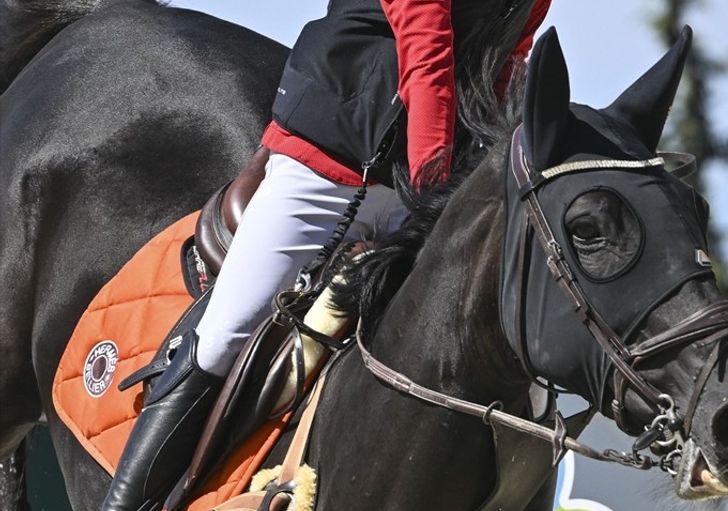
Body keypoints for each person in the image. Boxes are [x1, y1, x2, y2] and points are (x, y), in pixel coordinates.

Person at [101, 0, 551, 509]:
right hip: (332, 166)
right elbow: (424, 45)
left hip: (428, 185)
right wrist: (435, 193)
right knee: (226, 334)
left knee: (522, 381)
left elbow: (505, 59)